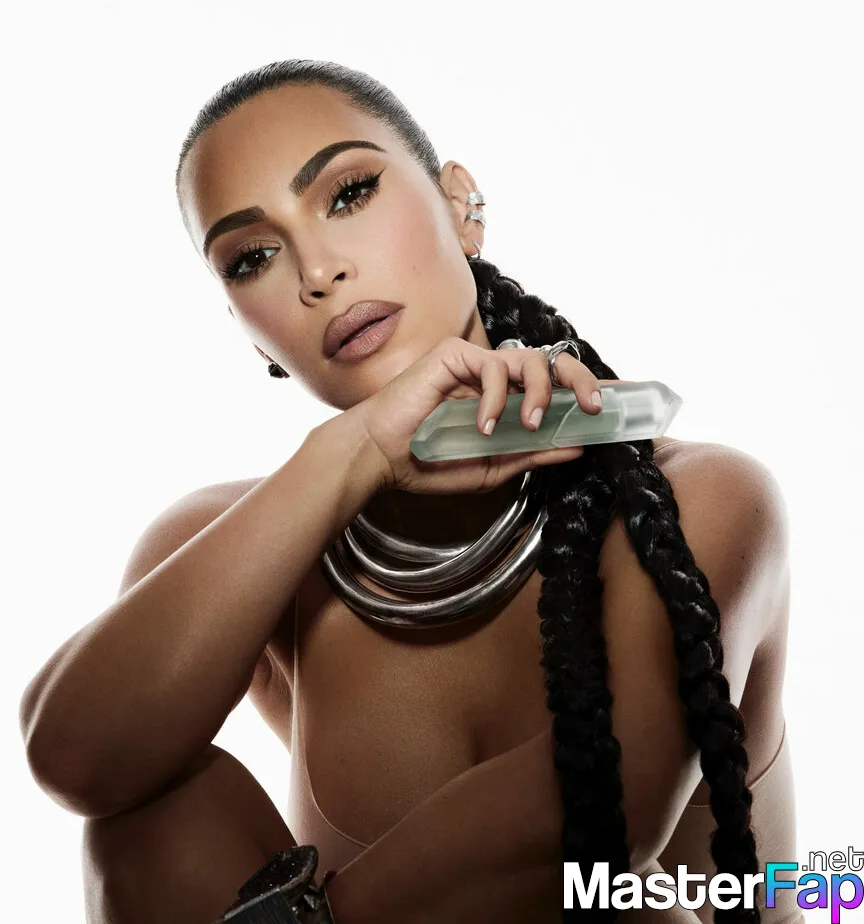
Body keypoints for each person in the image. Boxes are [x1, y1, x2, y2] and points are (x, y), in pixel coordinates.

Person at [19, 59, 801, 924]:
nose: (317, 271)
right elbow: (79, 761)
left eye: (349, 194)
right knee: (151, 815)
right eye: (252, 258)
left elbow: (607, 811)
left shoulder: (699, 501)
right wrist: (350, 454)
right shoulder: (233, 548)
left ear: (460, 205)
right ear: (250, 335)